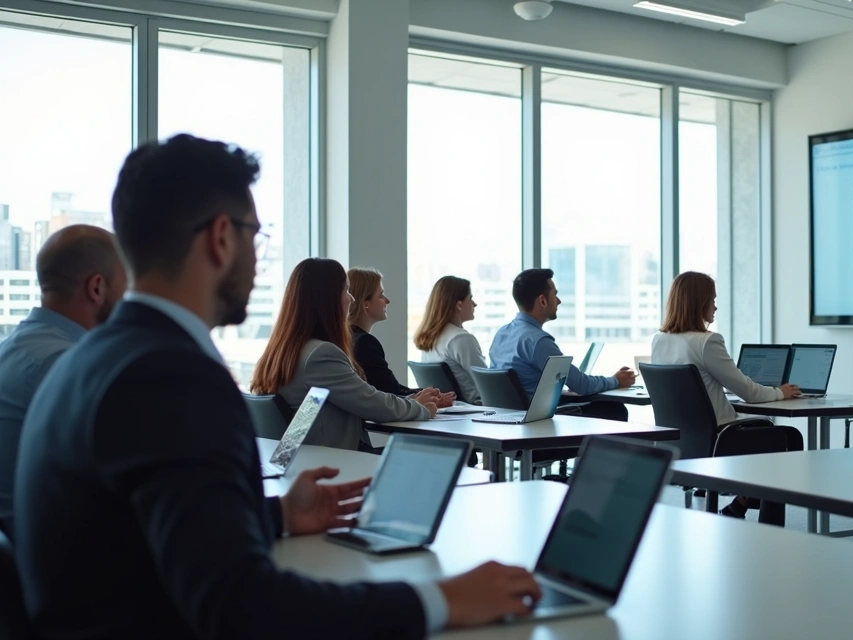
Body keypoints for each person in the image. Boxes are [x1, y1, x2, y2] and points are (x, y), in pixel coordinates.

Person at [14, 134, 539, 639]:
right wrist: (441, 600)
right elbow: (244, 608)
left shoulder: (91, 362)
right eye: (255, 235)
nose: (259, 258)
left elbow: (142, 532)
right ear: (221, 237)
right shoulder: (171, 376)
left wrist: (276, 515)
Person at [0, 225, 126, 531]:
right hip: (52, 558)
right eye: (128, 284)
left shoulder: (15, 347)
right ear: (97, 287)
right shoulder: (66, 366)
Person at [651, 271, 803, 519]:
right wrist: (780, 392)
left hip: (681, 441)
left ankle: (740, 504)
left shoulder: (659, 341)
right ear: (699, 303)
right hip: (721, 439)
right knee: (788, 436)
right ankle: (770, 522)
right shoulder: (707, 341)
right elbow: (749, 392)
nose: (715, 306)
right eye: (712, 300)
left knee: (769, 435)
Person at [251, 258, 439, 452]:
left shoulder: (281, 353)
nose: (352, 299)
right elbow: (372, 404)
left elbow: (310, 416)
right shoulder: (320, 355)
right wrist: (421, 408)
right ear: (327, 298)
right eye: (346, 290)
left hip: (305, 463)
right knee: (439, 453)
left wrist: (410, 402)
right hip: (335, 463)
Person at [489, 268, 634, 421]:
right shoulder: (538, 342)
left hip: (508, 420)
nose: (559, 301)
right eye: (555, 295)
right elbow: (581, 385)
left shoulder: (501, 334)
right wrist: (616, 380)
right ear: (542, 301)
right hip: (537, 422)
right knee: (615, 409)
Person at [347, 267, 455, 405]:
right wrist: (427, 397)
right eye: (381, 295)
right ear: (365, 304)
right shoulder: (365, 343)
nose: (387, 301)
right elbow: (390, 391)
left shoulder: (349, 338)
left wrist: (424, 394)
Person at [414, 275, 488, 404]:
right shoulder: (461, 338)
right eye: (470, 298)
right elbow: (488, 383)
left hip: (450, 412)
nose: (474, 304)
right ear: (459, 305)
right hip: (477, 410)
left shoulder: (430, 339)